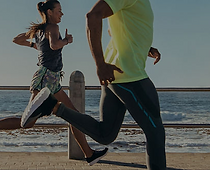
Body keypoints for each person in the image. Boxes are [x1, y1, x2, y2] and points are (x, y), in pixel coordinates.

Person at [18, 0, 166, 169]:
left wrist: (144, 47)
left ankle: (52, 106)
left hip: (116, 75)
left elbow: (117, 31)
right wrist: (100, 64)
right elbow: (92, 16)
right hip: (129, 75)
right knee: (155, 132)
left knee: (105, 134)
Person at [0, 0, 110, 165]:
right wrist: (66, 41)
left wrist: (35, 45)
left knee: (73, 117)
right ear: (50, 12)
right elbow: (54, 45)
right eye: (59, 10)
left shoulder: (39, 30)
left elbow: (17, 39)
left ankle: (89, 154)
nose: (62, 14)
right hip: (46, 79)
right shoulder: (53, 28)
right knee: (27, 123)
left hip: (52, 80)